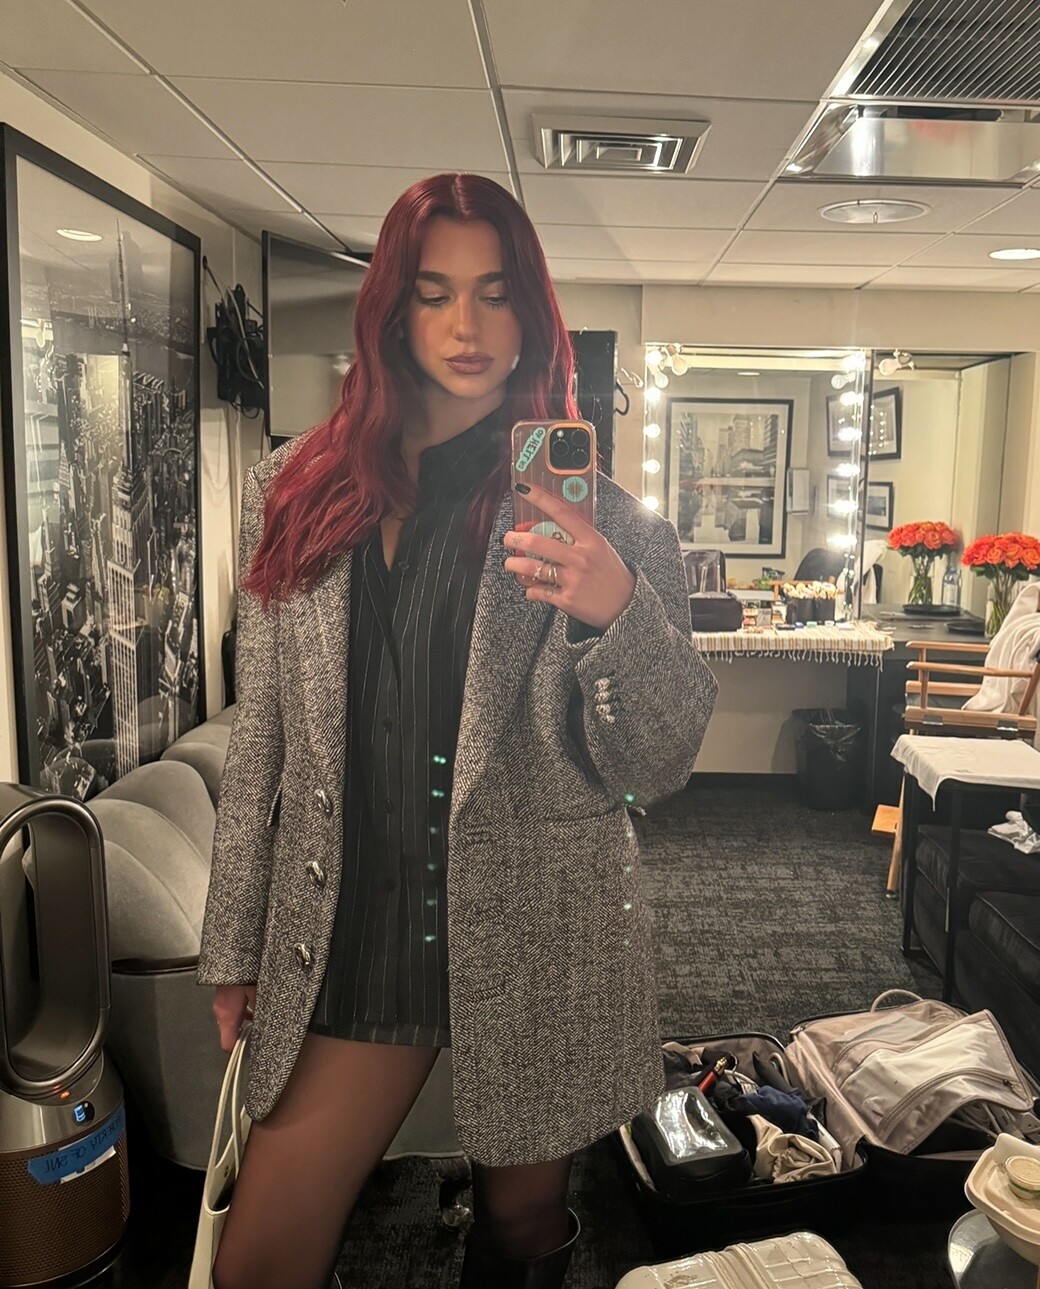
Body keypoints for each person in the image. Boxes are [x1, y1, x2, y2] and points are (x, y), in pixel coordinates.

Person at [198, 173, 718, 1289]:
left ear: (532, 310)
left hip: (537, 928)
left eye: (494, 292)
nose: (466, 326)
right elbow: (263, 735)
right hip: (355, 920)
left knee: (523, 1227)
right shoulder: (294, 488)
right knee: (258, 1258)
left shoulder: (607, 524)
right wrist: (233, 943)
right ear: (393, 311)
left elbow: (659, 762)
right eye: (434, 293)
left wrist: (617, 610)